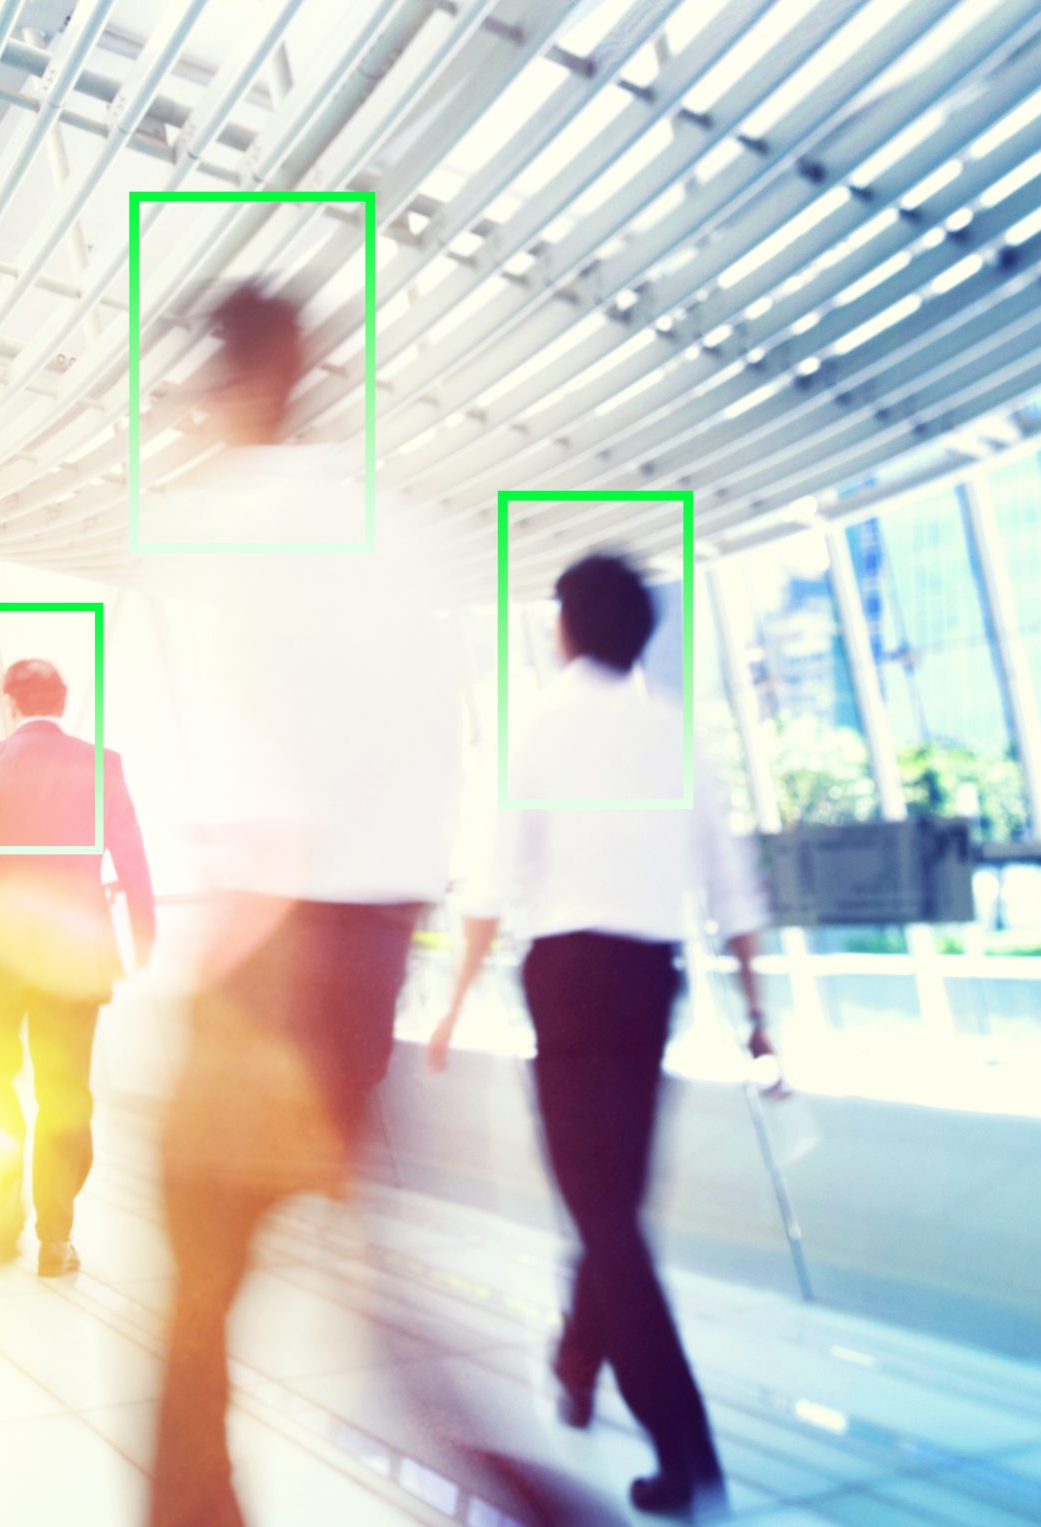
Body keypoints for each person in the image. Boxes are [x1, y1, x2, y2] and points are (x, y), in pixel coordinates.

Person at [141, 283, 605, 1527]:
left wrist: (211, 961)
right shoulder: (396, 531)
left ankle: (192, 1510)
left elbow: (245, 776)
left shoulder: (207, 527)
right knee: (371, 1278)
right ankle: (515, 1488)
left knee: (197, 1272)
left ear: (233, 382)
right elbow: (428, 760)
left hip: (264, 955)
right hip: (367, 951)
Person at [430, 550, 772, 1520]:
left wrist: (452, 1002)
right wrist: (759, 1015)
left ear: (567, 626)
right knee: (611, 1198)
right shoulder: (677, 736)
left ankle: (684, 1446)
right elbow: (732, 884)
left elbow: (493, 882)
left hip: (570, 982)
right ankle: (577, 1360)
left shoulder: (529, 726)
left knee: (604, 1212)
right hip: (648, 981)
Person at [0, 657, 154, 1278]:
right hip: (74, 960)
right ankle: (56, 1235)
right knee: (65, 1091)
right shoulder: (102, 766)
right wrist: (143, 941)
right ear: (61, 699)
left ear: (10, 704)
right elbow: (132, 859)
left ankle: (6, 1197)